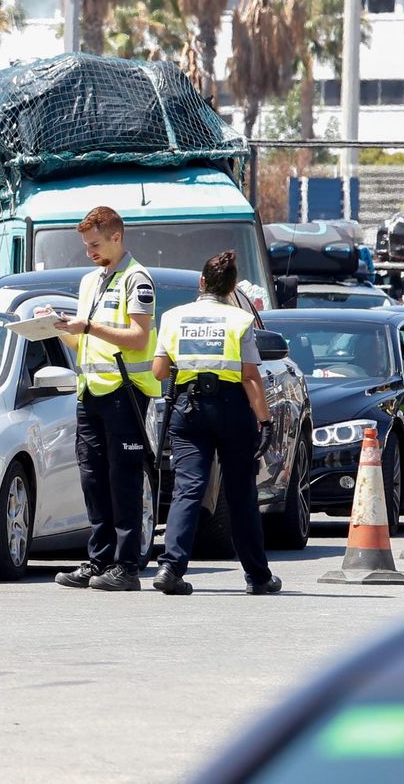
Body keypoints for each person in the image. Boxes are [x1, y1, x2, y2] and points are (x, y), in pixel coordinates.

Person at [150, 251, 281, 596]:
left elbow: (159, 371)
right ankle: (258, 576)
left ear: (202, 282)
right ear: (232, 287)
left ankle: (170, 567)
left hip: (189, 409)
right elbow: (250, 376)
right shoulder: (239, 320)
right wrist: (265, 421)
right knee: (240, 493)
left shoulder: (173, 317)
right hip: (231, 409)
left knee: (188, 488)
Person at [49, 206, 159, 592]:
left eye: (95, 244)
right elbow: (83, 342)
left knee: (124, 478)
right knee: (92, 478)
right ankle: (99, 561)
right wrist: (57, 327)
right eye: (85, 245)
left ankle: (126, 567)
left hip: (124, 393)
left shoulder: (137, 278)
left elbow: (139, 338)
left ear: (117, 237)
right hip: (91, 392)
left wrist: (89, 326)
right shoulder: (90, 281)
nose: (89, 251)